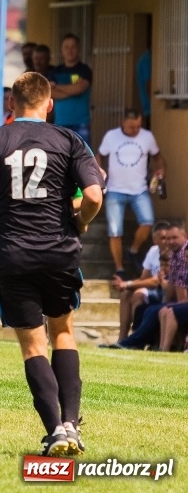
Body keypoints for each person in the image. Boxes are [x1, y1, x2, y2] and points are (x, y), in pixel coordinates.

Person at [0, 72, 104, 457]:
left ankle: (55, 430)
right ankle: (71, 423)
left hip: (11, 252)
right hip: (59, 251)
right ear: (49, 103)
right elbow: (92, 193)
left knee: (32, 344)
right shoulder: (70, 140)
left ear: (11, 104)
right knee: (64, 332)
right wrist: (82, 221)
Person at [96, 109, 165, 278]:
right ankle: (119, 268)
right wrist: (99, 173)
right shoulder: (111, 136)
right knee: (114, 231)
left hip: (139, 189)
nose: (135, 130)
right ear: (122, 123)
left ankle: (133, 250)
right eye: (131, 127)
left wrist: (161, 170)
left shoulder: (147, 137)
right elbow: (99, 156)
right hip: (115, 189)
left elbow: (158, 157)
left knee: (148, 221)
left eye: (138, 127)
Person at [111, 221, 170, 341]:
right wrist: (125, 285)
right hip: (153, 289)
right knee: (126, 293)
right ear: (155, 239)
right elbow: (144, 278)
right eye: (163, 238)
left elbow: (156, 281)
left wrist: (127, 283)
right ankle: (122, 338)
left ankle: (136, 336)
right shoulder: (153, 251)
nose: (166, 241)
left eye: (168, 237)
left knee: (138, 294)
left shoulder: (172, 254)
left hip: (163, 290)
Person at [49, 34, 93, 145]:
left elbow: (80, 88)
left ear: (79, 50)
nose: (70, 50)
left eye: (73, 47)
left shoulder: (84, 70)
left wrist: (57, 86)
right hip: (60, 123)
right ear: (62, 50)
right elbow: (50, 93)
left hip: (81, 123)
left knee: (81, 159)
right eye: (66, 47)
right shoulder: (55, 71)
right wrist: (72, 90)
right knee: (61, 159)